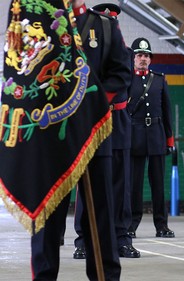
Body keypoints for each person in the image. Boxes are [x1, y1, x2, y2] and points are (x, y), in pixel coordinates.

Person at [30, 1, 130, 280]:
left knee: (100, 217)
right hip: (52, 139)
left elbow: (121, 72)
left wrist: (92, 106)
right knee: (48, 219)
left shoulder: (105, 27)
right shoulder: (38, 27)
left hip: (94, 135)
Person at [71, 2, 140, 260]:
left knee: (121, 185)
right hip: (90, 119)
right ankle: (83, 239)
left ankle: (121, 238)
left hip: (118, 118)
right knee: (85, 181)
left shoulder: (125, 52)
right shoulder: (85, 46)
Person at [127, 37, 175, 238]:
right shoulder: (127, 79)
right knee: (134, 185)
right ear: (133, 58)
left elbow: (166, 111)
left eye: (146, 55)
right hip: (134, 137)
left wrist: (169, 139)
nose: (143, 59)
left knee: (158, 184)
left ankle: (161, 225)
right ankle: (131, 225)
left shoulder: (159, 80)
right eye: (139, 55)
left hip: (156, 135)